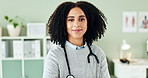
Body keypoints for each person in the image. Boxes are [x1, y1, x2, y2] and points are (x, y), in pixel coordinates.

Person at [43, 1, 110, 78]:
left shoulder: (98, 53)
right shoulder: (54, 56)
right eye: (71, 20)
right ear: (63, 24)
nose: (77, 24)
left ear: (89, 22)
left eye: (81, 19)